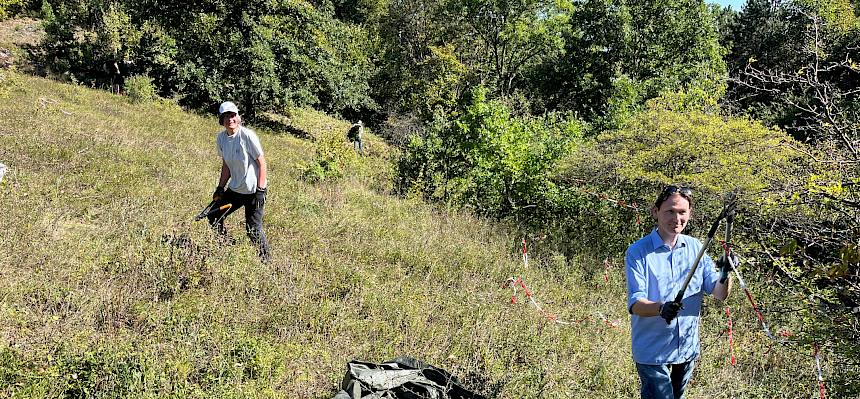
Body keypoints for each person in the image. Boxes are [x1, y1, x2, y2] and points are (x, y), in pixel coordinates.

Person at [625, 185, 737, 399]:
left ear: (690, 214)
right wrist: (661, 308)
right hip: (652, 350)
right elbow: (635, 303)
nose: (676, 218)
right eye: (670, 211)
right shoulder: (638, 252)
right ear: (655, 211)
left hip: (685, 348)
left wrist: (726, 272)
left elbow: (720, 293)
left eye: (682, 212)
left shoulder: (697, 248)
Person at [207, 101, 271, 263]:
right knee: (214, 215)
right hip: (235, 190)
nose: (230, 119)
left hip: (252, 191)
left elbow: (262, 163)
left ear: (238, 117)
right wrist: (220, 187)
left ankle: (266, 261)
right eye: (226, 116)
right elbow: (226, 165)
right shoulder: (221, 139)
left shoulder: (247, 136)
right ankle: (226, 246)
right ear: (221, 120)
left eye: (233, 115)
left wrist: (261, 190)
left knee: (253, 229)